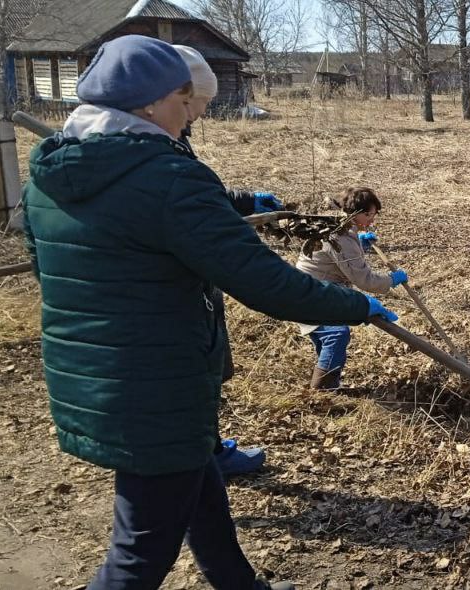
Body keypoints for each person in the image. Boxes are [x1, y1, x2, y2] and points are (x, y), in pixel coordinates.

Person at [21, 35, 397, 589]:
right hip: (156, 381)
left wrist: (233, 206)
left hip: (94, 373)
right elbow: (263, 281)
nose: (190, 116)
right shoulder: (168, 176)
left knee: (202, 494)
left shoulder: (50, 177)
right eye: (184, 101)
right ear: (150, 103)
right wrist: (355, 304)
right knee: (139, 552)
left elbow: (61, 262)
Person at [173, 44, 277, 477]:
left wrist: (243, 200)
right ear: (176, 97)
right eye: (200, 104)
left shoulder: (169, 140)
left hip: (189, 297)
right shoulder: (153, 153)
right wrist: (351, 304)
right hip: (172, 304)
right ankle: (204, 455)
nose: (200, 114)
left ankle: (207, 450)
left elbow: (195, 192)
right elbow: (257, 275)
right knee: (187, 384)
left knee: (198, 381)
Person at [295, 187, 408, 390]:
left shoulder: (342, 227)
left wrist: (359, 244)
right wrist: (391, 280)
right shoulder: (340, 236)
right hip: (310, 292)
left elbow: (337, 259)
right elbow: (364, 279)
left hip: (316, 287)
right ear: (358, 213)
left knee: (330, 334)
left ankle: (327, 383)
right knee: (335, 334)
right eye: (370, 215)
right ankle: (322, 392)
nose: (372, 221)